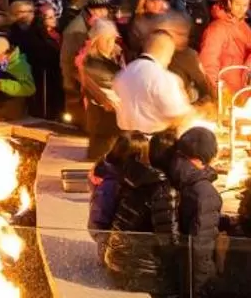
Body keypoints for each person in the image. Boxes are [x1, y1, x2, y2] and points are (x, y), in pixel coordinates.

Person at [101, 131, 179, 294]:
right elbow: (168, 242)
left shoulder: (135, 175)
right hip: (139, 272)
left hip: (117, 261)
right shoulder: (161, 188)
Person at [166, 126, 222, 295]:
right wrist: (200, 291)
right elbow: (199, 250)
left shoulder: (169, 169)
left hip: (169, 269)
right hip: (187, 277)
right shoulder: (204, 192)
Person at [112, 30, 197, 136]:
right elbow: (180, 116)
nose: (169, 61)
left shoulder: (121, 75)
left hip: (125, 144)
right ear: (167, 52)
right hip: (154, 145)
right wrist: (196, 113)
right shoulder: (164, 78)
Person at [78, 20, 125, 164]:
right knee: (100, 157)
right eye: (107, 40)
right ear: (96, 40)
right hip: (101, 117)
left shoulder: (117, 56)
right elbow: (96, 88)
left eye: (113, 39)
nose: (111, 43)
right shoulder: (91, 61)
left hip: (118, 116)